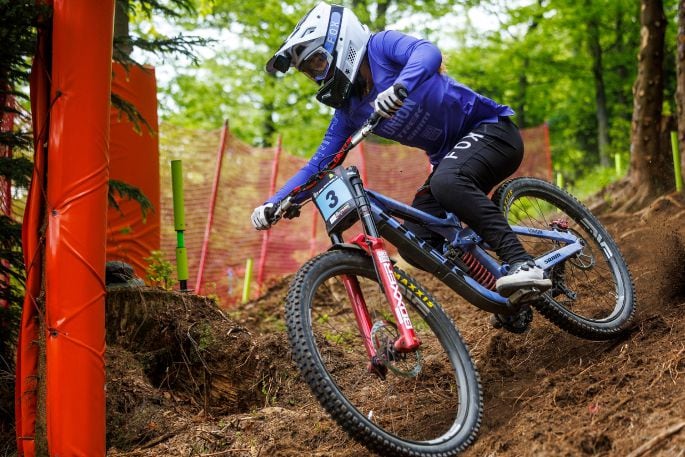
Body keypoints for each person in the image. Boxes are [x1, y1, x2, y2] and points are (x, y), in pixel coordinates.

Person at [250, 2, 551, 330]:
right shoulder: (350, 110)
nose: (318, 75)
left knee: (446, 182)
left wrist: (399, 86)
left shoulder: (380, 47)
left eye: (318, 61)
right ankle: (507, 298)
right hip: (451, 160)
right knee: (418, 240)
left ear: (340, 41)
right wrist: (275, 202)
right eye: (311, 71)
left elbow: (427, 52)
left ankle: (522, 263)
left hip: (492, 131)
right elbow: (318, 163)